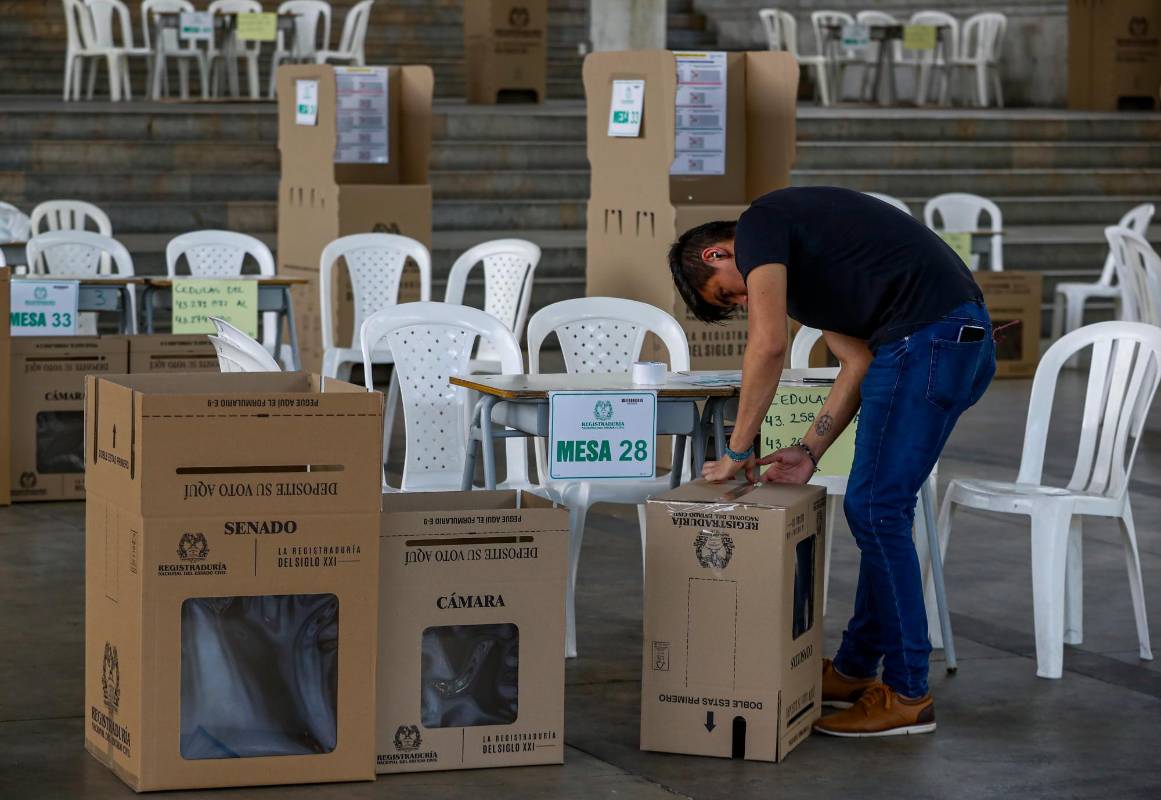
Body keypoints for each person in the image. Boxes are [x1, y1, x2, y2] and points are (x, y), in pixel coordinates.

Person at [668, 186, 996, 737]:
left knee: (874, 508)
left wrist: (736, 452)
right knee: (880, 509)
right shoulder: (811, 276)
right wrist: (809, 449)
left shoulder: (759, 224)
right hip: (945, 343)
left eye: (729, 296)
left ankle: (909, 693)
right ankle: (853, 669)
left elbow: (768, 346)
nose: (746, 303)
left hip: (930, 342)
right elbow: (858, 362)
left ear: (716, 255)